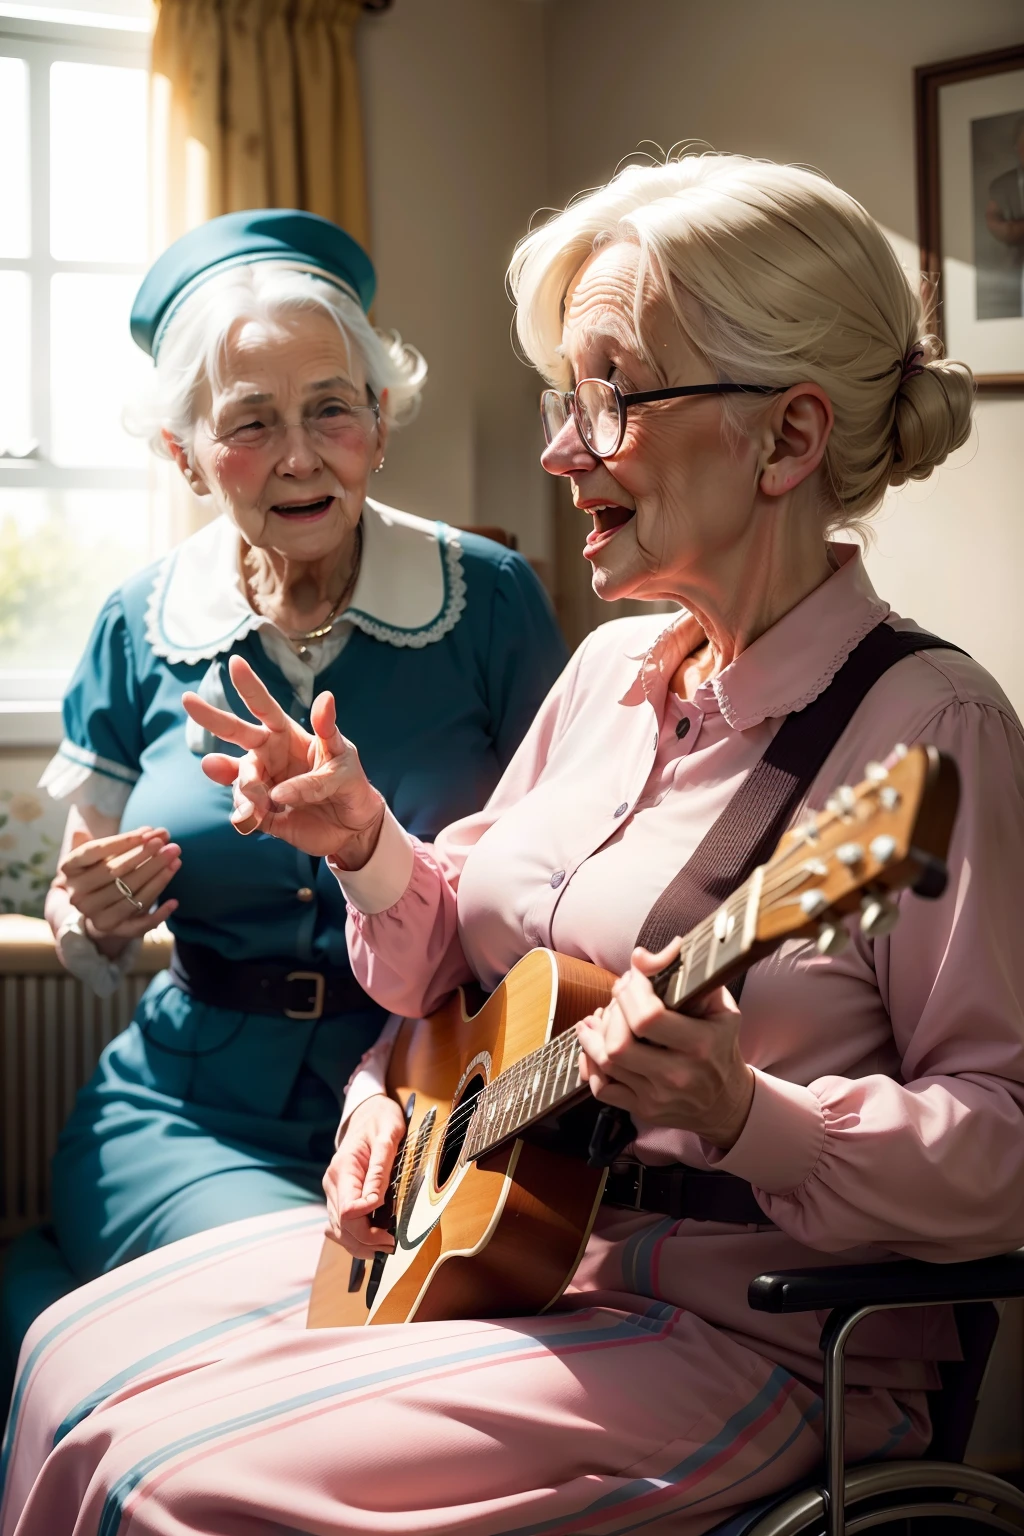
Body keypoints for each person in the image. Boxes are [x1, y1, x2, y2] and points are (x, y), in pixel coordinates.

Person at [4, 154, 1024, 1536]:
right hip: (524, 1260)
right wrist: (376, 1017)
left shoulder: (934, 726)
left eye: (611, 394)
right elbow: (469, 992)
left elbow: (1007, 1145)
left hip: (754, 1331)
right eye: (567, 397)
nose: (558, 450)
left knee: (174, 1481)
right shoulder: (608, 672)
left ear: (785, 440)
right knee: (64, 1359)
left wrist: (751, 1116)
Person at [0, 209, 566, 1385]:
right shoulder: (136, 624)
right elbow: (80, 912)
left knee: (421, 1367)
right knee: (298, 1336)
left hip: (430, 1104)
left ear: (381, 422)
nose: (301, 454)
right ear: (185, 454)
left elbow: (560, 880)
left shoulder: (493, 605)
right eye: (250, 423)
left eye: (331, 408)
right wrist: (91, 919)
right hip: (187, 1110)